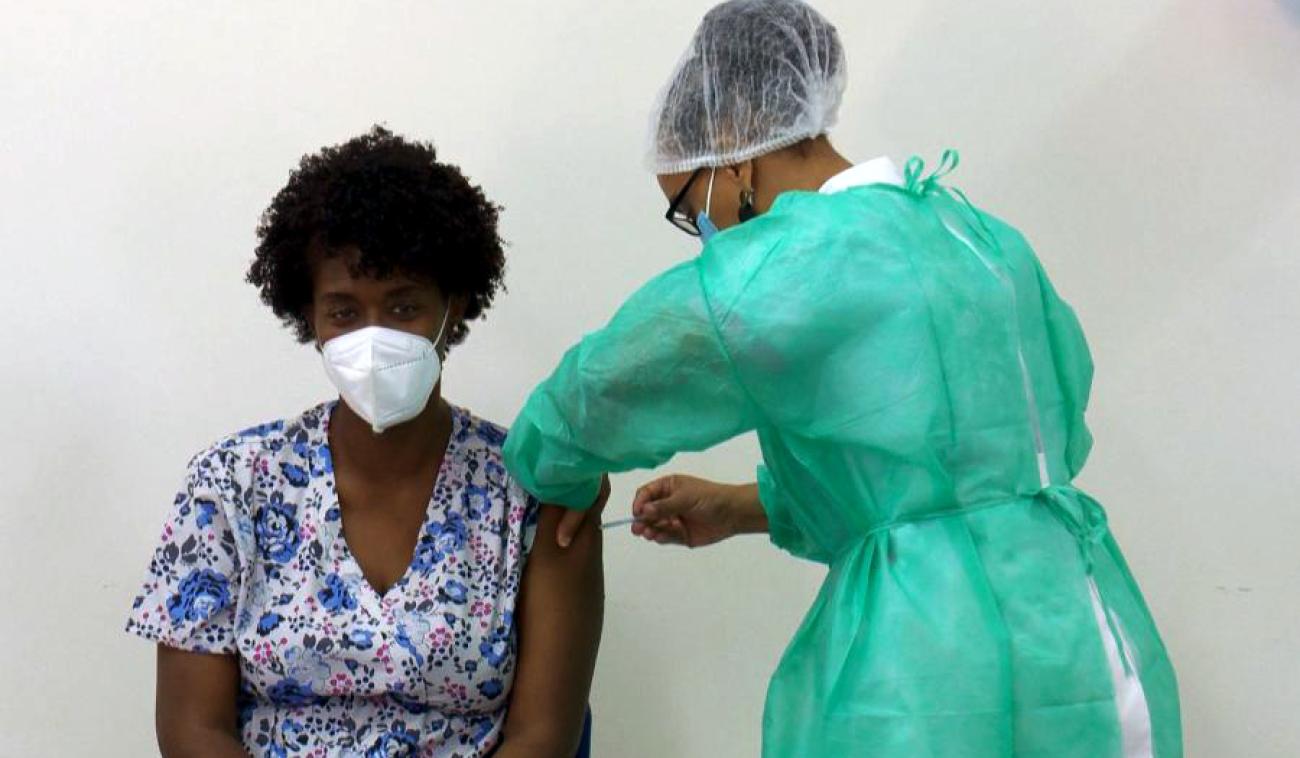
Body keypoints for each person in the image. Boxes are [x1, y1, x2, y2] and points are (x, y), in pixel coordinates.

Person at [504, 1, 1181, 756]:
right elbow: (965, 473)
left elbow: (597, 395)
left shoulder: (784, 266)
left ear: (733, 150)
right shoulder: (979, 238)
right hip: (1086, 647)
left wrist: (555, 472)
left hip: (929, 679)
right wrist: (738, 508)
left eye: (688, 207)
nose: (706, 232)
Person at [125, 127, 602, 758]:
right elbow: (192, 731)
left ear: (453, 306)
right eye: (344, 311)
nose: (373, 338)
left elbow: (544, 738)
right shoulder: (230, 484)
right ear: (311, 318)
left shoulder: (533, 488)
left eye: (404, 307)